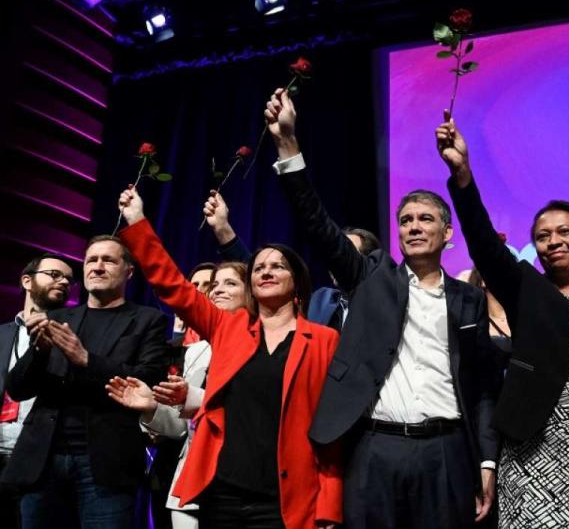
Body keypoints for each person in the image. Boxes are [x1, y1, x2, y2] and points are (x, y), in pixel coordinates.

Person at [265, 87, 498, 528]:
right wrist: (287, 145)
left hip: (447, 450)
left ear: (448, 234)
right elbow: (317, 224)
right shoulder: (372, 277)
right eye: (405, 220)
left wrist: (486, 462)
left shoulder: (468, 299)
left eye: (425, 219)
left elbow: (483, 385)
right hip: (375, 448)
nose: (413, 227)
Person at [437, 113, 569, 527]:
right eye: (543, 235)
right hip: (533, 462)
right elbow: (482, 243)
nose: (553, 241)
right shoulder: (527, 290)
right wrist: (463, 175)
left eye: (564, 232)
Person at [116, 187, 342, 529]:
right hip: (222, 493)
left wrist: (329, 505)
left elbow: (331, 431)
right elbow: (173, 286)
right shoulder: (229, 326)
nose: (265, 272)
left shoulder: (323, 340)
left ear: (297, 283)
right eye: (258, 268)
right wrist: (138, 223)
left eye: (277, 267)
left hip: (287, 498)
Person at [0, 236, 168, 528]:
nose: (98, 267)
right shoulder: (59, 316)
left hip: (105, 466)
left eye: (108, 260)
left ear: (129, 271)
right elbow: (17, 388)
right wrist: (39, 353)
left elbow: (148, 381)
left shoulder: (147, 320)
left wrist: (87, 360)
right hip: (43, 462)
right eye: (92, 260)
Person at [107, 261, 248, 529]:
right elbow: (182, 427)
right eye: (215, 284)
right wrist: (151, 408)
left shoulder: (266, 346)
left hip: (242, 480)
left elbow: (245, 407)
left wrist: (192, 397)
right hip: (191, 483)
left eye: (230, 283)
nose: (216, 291)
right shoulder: (196, 352)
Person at [202, 191, 380, 330]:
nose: (337, 261)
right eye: (335, 255)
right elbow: (259, 274)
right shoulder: (320, 302)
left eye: (346, 255)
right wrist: (222, 229)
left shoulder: (386, 300)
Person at [0, 254, 74, 527]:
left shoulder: (70, 336)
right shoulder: (2, 334)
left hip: (40, 460)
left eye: (68, 279)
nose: (64, 281)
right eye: (55, 274)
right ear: (27, 281)